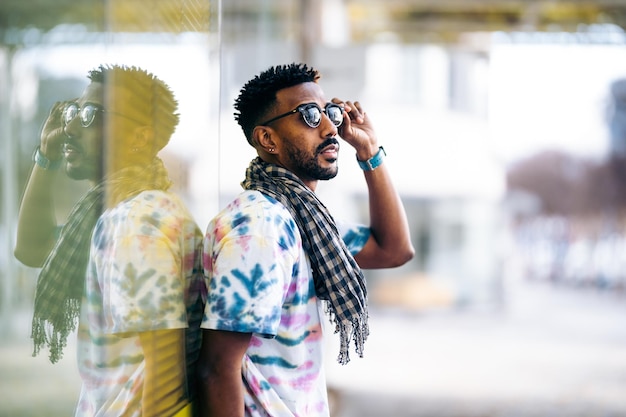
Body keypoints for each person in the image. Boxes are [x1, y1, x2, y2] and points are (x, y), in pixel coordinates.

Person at [197, 63, 415, 417]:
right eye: (309, 115)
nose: (331, 127)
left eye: (330, 111)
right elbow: (218, 369)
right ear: (268, 139)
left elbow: (394, 250)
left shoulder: (304, 220)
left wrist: (370, 151)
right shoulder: (260, 227)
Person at [14, 64, 204, 417]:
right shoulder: (110, 216)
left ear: (139, 138)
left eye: (91, 115)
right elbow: (31, 248)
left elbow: (165, 378)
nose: (70, 126)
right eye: (73, 111)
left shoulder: (138, 224)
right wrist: (46, 156)